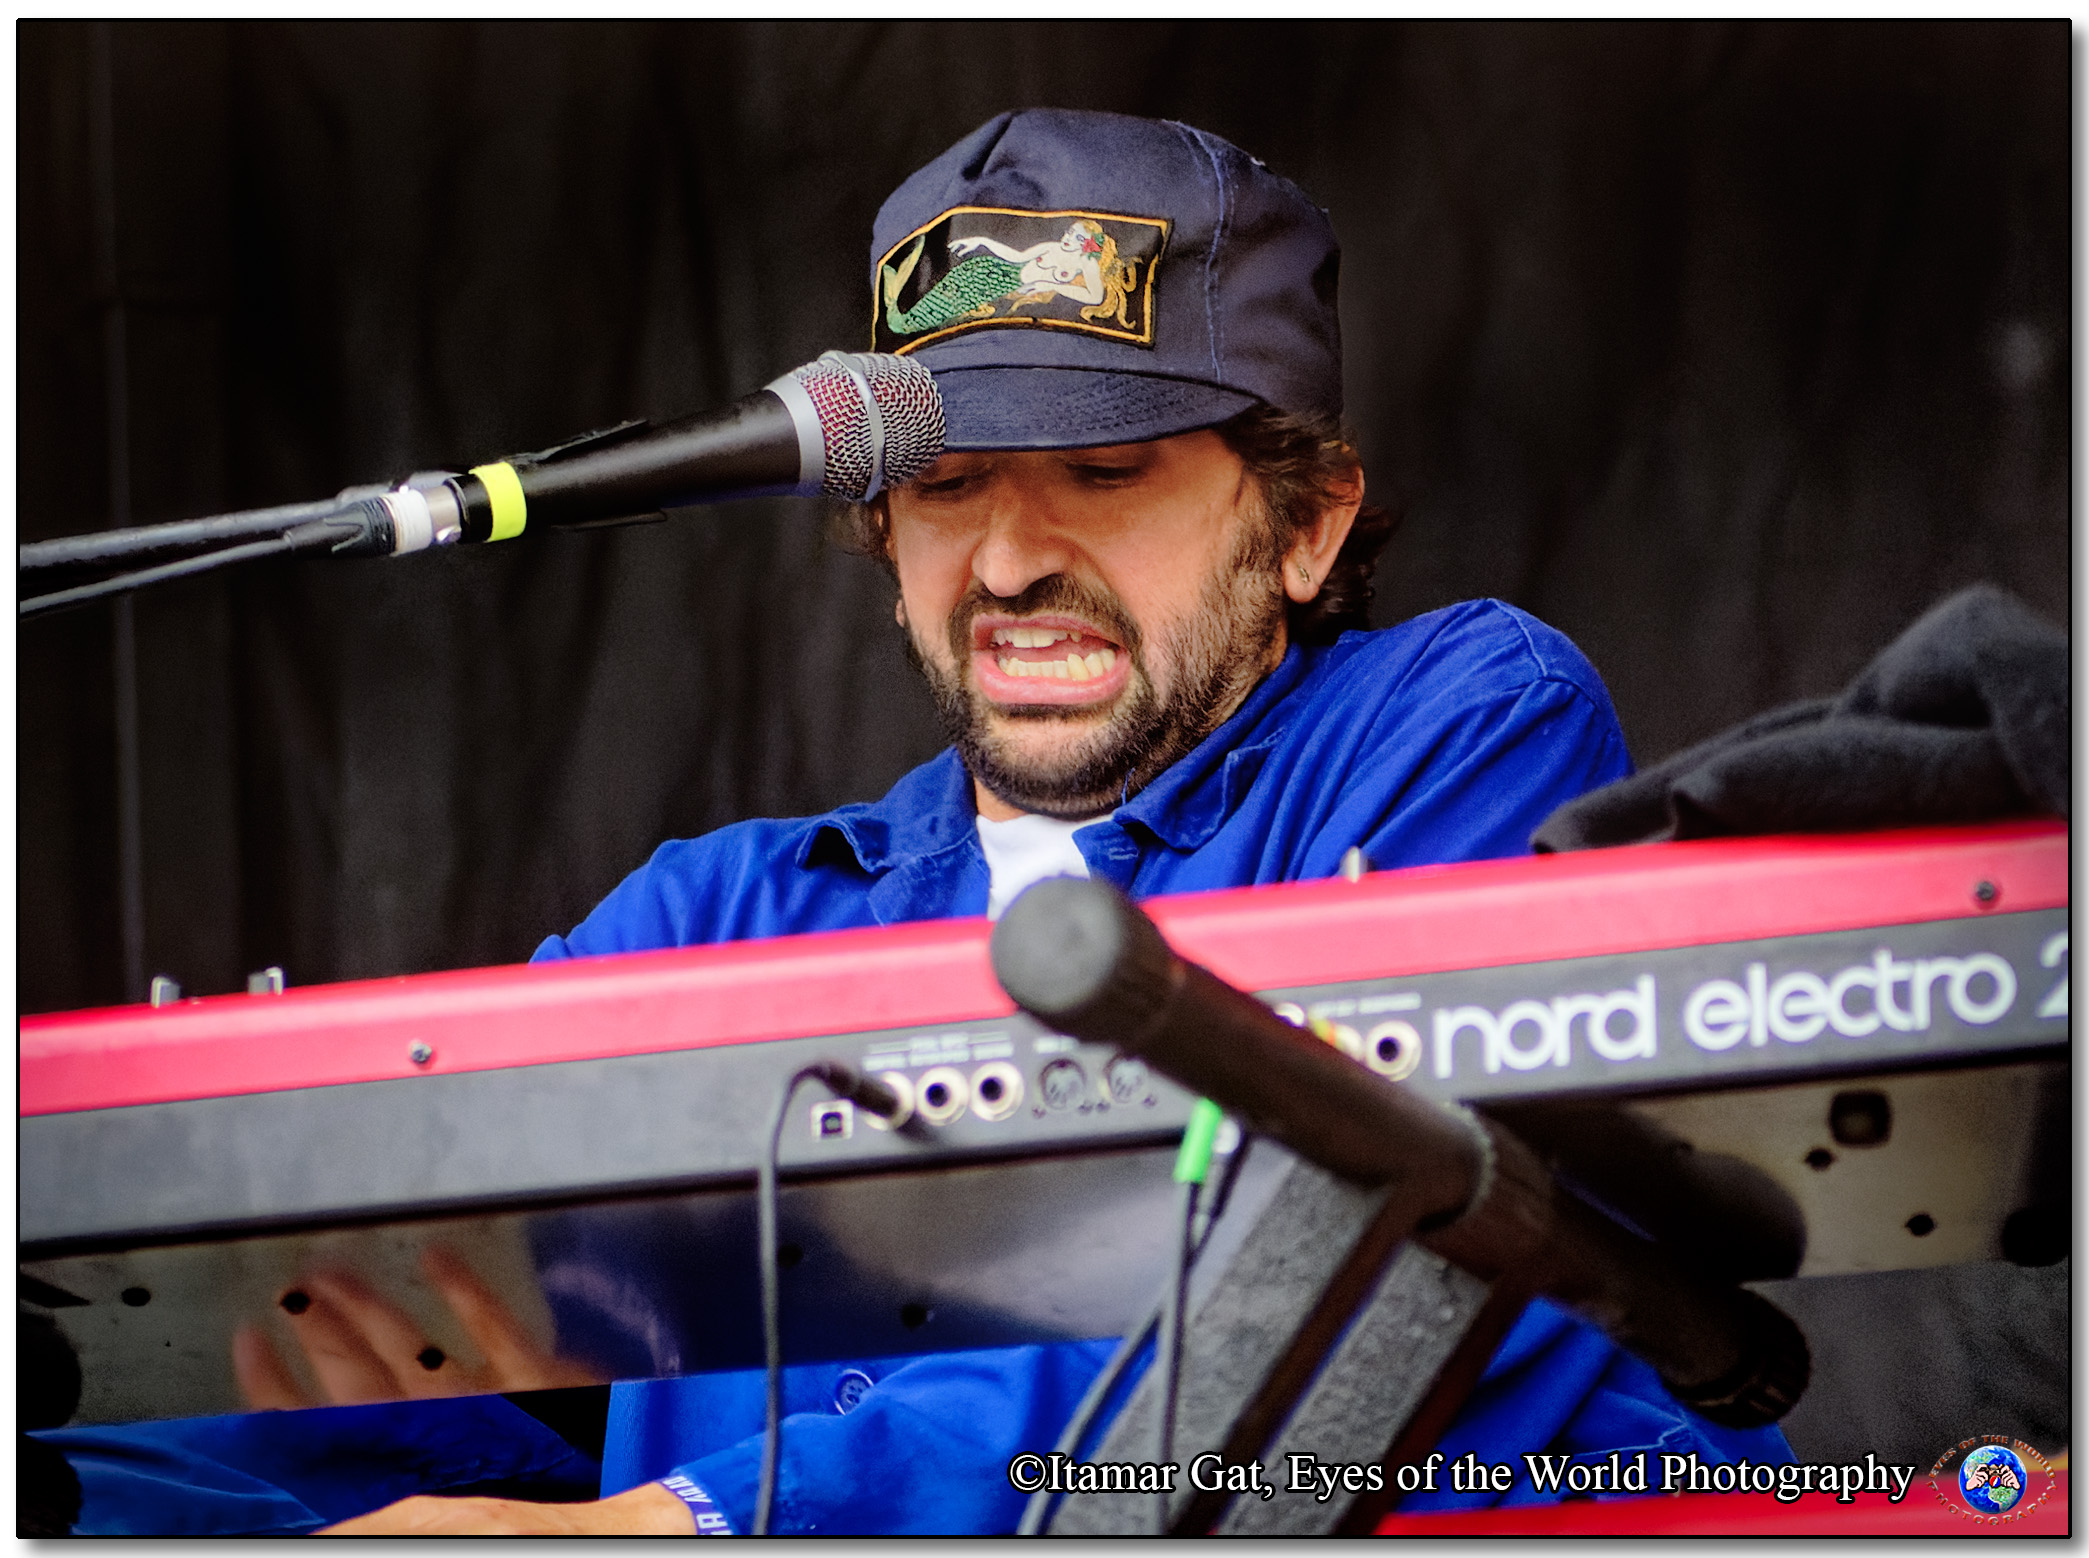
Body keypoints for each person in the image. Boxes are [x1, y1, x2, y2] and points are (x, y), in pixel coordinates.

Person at [38, 107, 1793, 1537]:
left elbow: (1333, 1289)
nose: (1010, 559)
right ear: (880, 539)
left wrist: (696, 1518)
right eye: (944, 486)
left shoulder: (1451, 723)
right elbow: (448, 1410)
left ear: (1306, 524)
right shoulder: (710, 918)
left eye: (1103, 474)